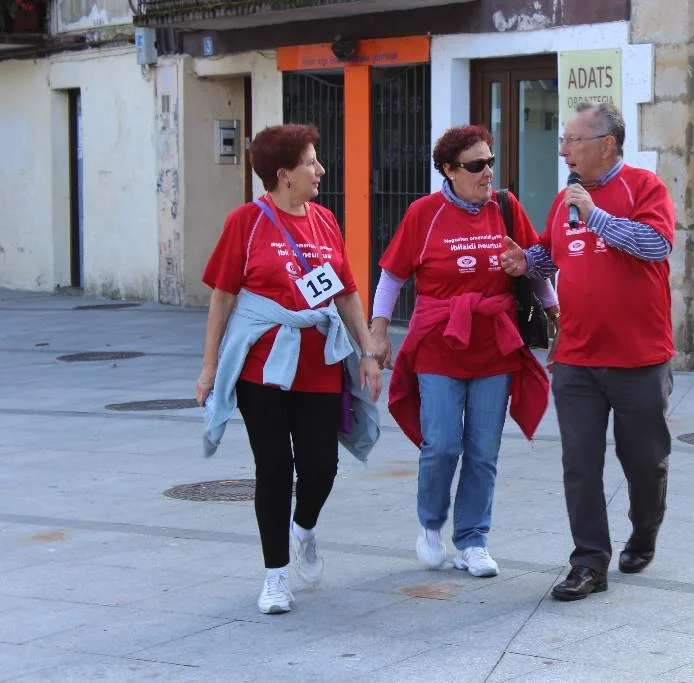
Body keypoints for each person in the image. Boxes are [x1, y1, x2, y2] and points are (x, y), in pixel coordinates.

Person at [196, 123, 382, 615]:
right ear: (283, 175)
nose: (320, 170)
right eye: (311, 162)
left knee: (322, 466)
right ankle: (275, 575)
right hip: (262, 369)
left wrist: (367, 352)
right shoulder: (246, 222)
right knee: (274, 466)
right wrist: (210, 368)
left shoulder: (324, 221)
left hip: (319, 365)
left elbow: (346, 293)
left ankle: (304, 528)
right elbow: (222, 297)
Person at [500, 101, 676, 601]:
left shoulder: (644, 187)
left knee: (644, 461)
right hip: (576, 357)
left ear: (607, 144)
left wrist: (595, 215)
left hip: (639, 358)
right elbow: (552, 254)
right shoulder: (566, 201)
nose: (564, 150)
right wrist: (524, 260)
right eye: (564, 140)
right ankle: (589, 562)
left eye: (573, 140)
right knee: (580, 464)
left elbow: (655, 244)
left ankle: (644, 531)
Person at [371, 124, 556, 578]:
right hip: (439, 345)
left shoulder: (506, 208)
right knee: (442, 444)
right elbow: (393, 275)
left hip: (495, 345)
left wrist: (558, 315)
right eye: (476, 165)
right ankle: (431, 524)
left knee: (482, 449)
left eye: (490, 161)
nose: (487, 172)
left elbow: (533, 265)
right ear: (449, 170)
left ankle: (473, 540)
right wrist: (378, 331)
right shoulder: (424, 213)